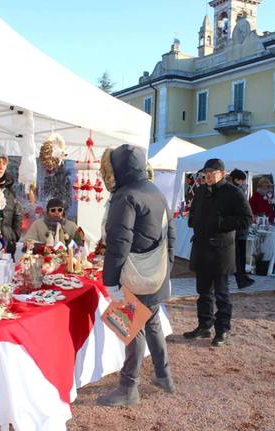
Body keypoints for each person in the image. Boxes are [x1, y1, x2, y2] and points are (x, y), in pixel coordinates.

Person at [96, 144, 176, 407]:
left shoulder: (125, 196)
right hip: (155, 273)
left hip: (134, 275)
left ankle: (128, 388)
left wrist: (110, 281)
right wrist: (167, 270)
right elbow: (170, 235)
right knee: (151, 323)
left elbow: (119, 242)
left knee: (131, 329)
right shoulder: (156, 192)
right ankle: (163, 375)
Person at [183, 159, 252, 347]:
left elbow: (246, 219)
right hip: (201, 248)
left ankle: (222, 330)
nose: (208, 175)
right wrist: (194, 220)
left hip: (221, 251)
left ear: (222, 173)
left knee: (222, 294)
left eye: (212, 172)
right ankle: (204, 326)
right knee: (203, 292)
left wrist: (221, 223)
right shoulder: (201, 191)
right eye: (206, 172)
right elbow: (194, 212)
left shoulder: (233, 193)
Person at [229, 169, 255, 289]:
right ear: (236, 180)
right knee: (239, 255)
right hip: (238, 228)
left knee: (240, 255)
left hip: (240, 228)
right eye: (242, 180)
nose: (244, 183)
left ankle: (242, 276)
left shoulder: (236, 190)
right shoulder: (235, 191)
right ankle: (241, 278)